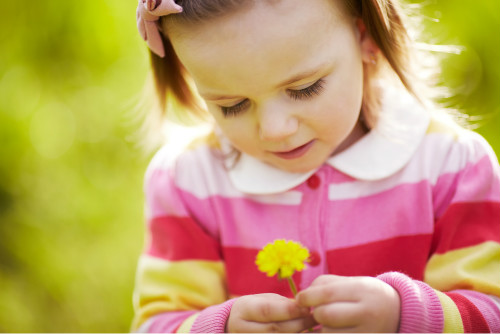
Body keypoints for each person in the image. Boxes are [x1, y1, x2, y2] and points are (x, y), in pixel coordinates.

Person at [132, 0, 500, 332]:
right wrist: (220, 328)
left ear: (365, 36)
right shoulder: (189, 183)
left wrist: (406, 315)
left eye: (305, 88)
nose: (275, 130)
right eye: (232, 105)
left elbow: (492, 313)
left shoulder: (452, 169)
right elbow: (156, 324)